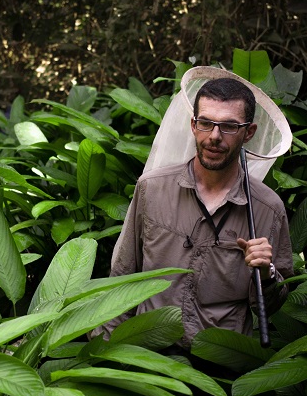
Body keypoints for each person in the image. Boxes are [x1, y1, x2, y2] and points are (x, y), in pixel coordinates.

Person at [90, 76, 293, 346]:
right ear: (193, 125)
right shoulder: (152, 188)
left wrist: (266, 273)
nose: (214, 136)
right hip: (148, 352)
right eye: (206, 123)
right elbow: (122, 275)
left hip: (219, 359)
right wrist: (105, 351)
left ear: (249, 132)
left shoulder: (268, 209)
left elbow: (270, 307)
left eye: (229, 126)